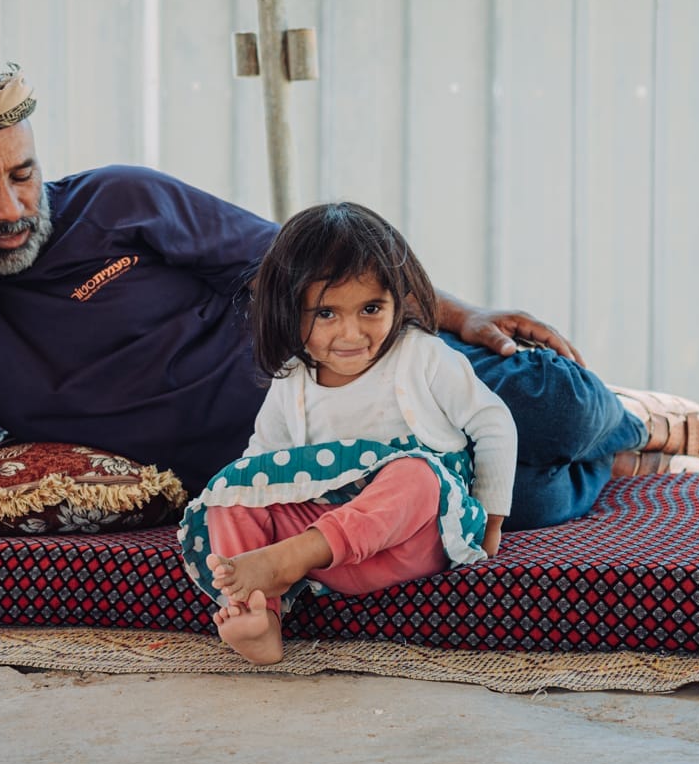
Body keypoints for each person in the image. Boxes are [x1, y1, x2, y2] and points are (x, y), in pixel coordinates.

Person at [0, 65, 699, 534]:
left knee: (549, 408)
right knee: (516, 503)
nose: (10, 208)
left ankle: (629, 422)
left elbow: (313, 263)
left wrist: (461, 315)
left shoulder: (118, 200)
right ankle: (616, 469)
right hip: (272, 465)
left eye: (23, 175)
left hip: (350, 374)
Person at [180, 203, 517, 664]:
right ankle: (258, 616)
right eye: (326, 314)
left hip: (412, 541)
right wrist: (240, 496)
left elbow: (493, 422)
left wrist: (492, 520)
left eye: (371, 309)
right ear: (289, 311)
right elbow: (261, 466)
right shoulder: (292, 380)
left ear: (400, 300)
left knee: (416, 475)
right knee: (232, 492)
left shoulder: (422, 356)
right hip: (331, 562)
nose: (352, 333)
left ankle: (290, 558)